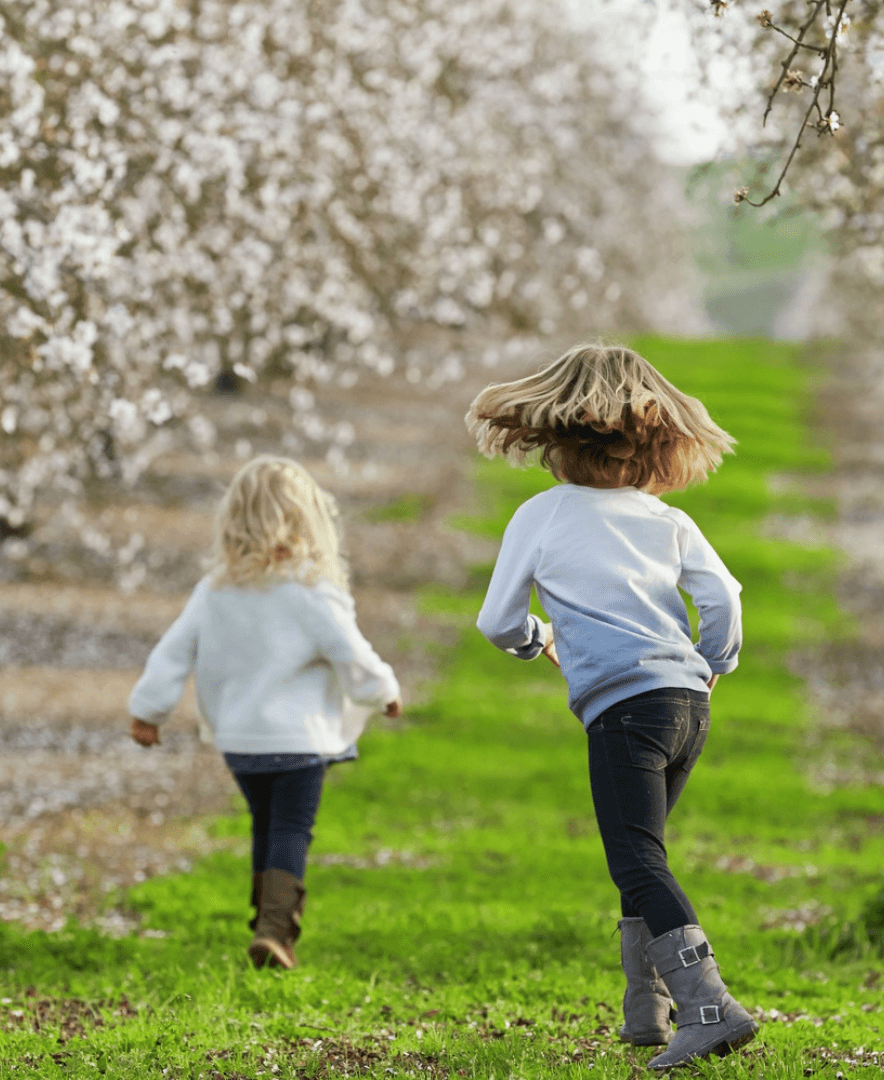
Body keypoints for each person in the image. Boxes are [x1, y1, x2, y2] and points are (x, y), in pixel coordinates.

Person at [466, 342, 758, 1068]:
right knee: (645, 853)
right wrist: (714, 663)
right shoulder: (666, 520)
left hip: (624, 710)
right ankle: (646, 1012)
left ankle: (709, 1007)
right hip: (688, 704)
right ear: (647, 450)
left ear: (554, 441)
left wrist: (541, 639)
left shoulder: (541, 514)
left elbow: (497, 621)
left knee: (635, 860)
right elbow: (724, 597)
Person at [128, 456, 401, 970]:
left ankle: (265, 925)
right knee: (292, 828)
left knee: (266, 824)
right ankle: (276, 931)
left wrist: (149, 712)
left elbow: (171, 652)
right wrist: (383, 690)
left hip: (241, 741)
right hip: (299, 742)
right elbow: (353, 653)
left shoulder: (214, 592)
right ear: (307, 521)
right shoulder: (311, 592)